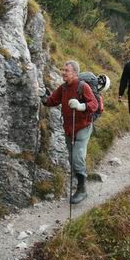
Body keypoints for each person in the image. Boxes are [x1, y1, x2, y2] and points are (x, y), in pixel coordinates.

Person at [42, 60, 98, 204]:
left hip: (83, 127)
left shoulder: (83, 86)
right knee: (72, 158)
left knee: (77, 156)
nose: (63, 72)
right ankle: (79, 182)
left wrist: (80, 106)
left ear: (75, 73)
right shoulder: (63, 88)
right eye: (63, 70)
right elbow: (52, 101)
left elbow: (94, 104)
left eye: (66, 70)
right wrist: (43, 98)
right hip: (68, 128)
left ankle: (82, 190)